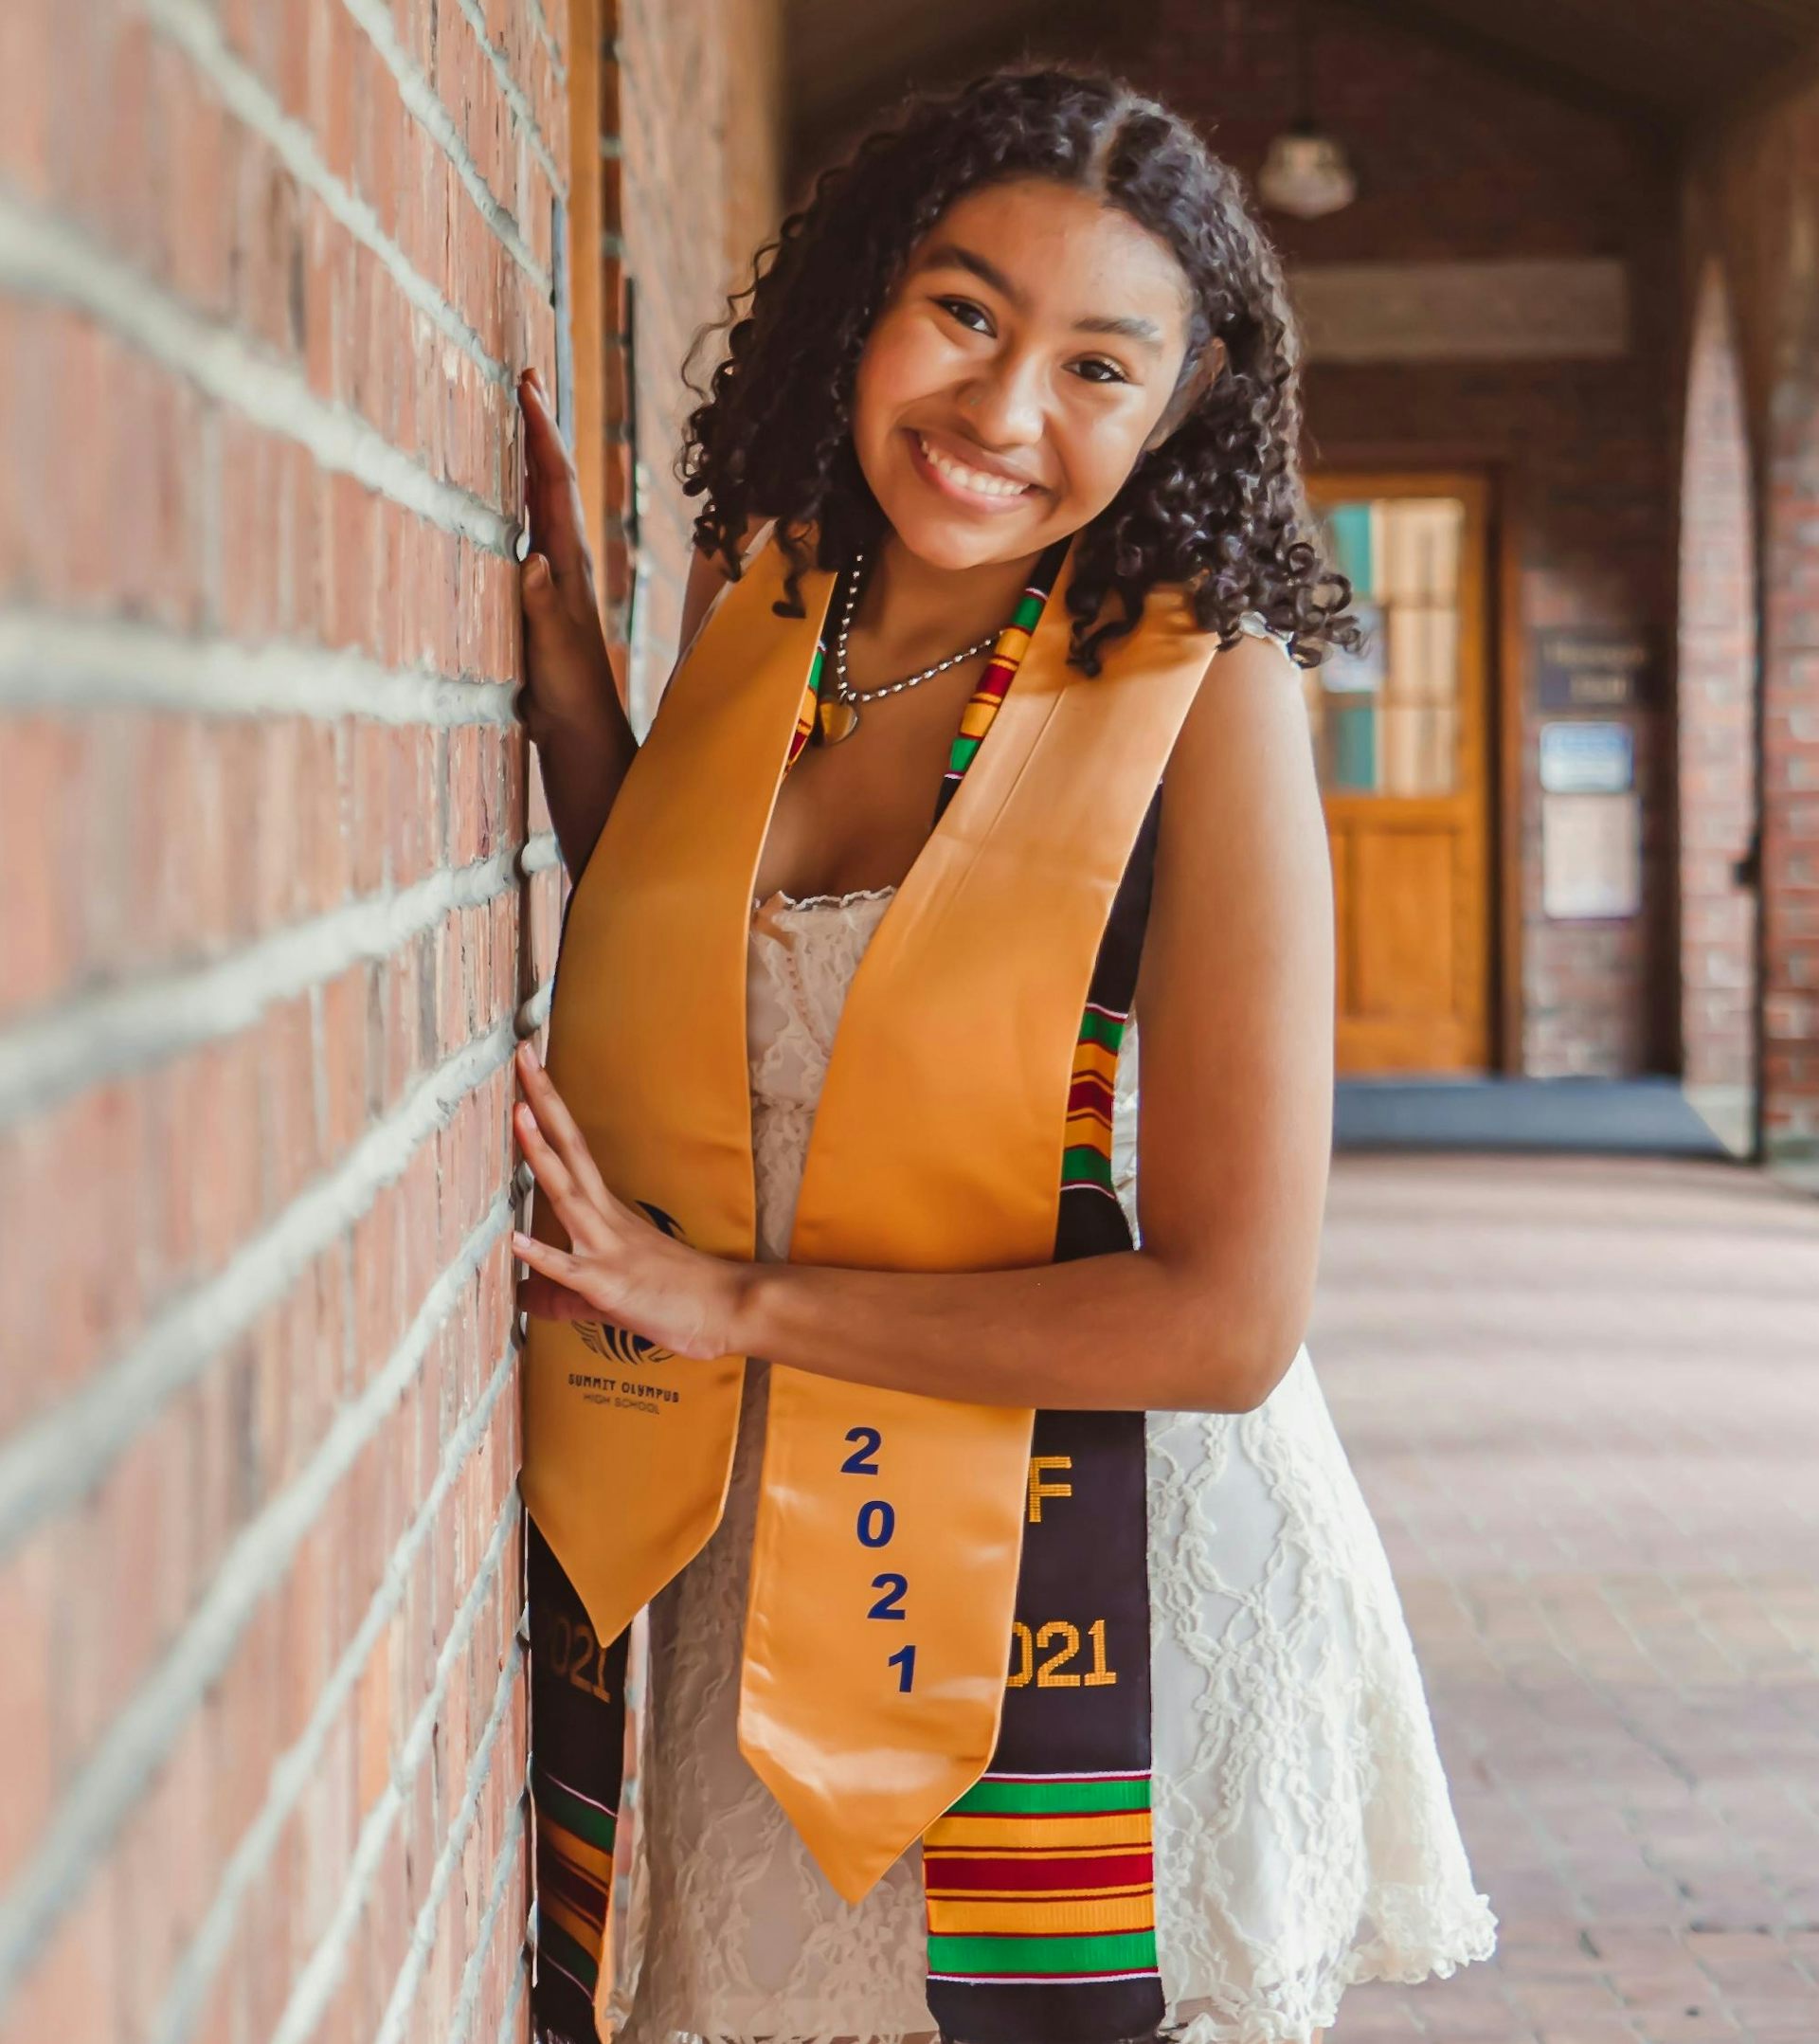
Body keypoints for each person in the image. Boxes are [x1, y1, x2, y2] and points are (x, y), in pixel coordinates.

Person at [509, 66, 1496, 2044]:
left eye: (1097, 367)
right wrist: (559, 689)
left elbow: (1226, 1320)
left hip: (1088, 1552)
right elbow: (722, 981)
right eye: (966, 313)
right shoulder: (771, 596)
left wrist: (731, 1295)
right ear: (871, 295)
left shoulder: (1199, 701)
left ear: (1178, 409)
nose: (1002, 414)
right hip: (748, 1531)